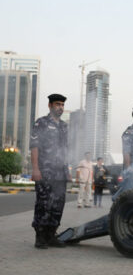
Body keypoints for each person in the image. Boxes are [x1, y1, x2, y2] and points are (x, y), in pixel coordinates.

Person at [30, 93, 70, 249]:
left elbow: (66, 150)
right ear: (50, 106)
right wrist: (35, 169)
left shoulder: (64, 126)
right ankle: (40, 236)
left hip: (60, 172)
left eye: (62, 105)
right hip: (45, 171)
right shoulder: (41, 123)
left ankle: (51, 234)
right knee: (44, 204)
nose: (60, 107)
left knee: (58, 204)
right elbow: (34, 146)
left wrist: (67, 171)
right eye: (57, 104)